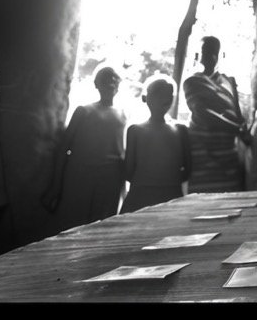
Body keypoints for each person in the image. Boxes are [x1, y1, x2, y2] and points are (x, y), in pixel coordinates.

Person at [41, 65, 127, 230]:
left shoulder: (122, 114)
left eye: (115, 79)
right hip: (80, 175)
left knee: (103, 225)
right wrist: (56, 186)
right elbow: (64, 148)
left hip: (110, 179)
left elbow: (121, 150)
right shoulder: (84, 111)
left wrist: (123, 184)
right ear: (96, 84)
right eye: (106, 79)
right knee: (74, 223)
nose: (111, 83)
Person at [183, 36, 253, 192]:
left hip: (228, 154)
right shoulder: (192, 81)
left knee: (231, 203)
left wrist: (244, 131)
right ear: (197, 55)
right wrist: (237, 129)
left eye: (214, 51)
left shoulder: (229, 82)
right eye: (205, 51)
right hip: (203, 153)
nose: (211, 55)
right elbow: (203, 113)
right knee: (204, 204)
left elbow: (237, 115)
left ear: (221, 55)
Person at [120, 76, 192, 213]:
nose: (166, 100)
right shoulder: (135, 130)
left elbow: (128, 172)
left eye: (168, 96)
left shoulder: (180, 130)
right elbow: (186, 171)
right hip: (162, 195)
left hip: (153, 196)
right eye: (161, 96)